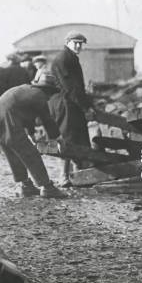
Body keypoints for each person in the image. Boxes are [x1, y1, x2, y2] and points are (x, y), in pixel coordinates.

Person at [0, 72, 67, 198]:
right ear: (48, 90)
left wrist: (31, 135)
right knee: (31, 153)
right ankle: (47, 187)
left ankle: (25, 185)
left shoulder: (28, 90)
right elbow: (47, 120)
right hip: (7, 120)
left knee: (13, 153)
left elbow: (27, 115)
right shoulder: (40, 96)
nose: (49, 98)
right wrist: (59, 140)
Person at [48, 31, 95, 187]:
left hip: (72, 103)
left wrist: (86, 103)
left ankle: (78, 173)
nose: (78, 46)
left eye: (80, 43)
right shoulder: (63, 59)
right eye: (75, 42)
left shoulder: (72, 58)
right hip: (65, 103)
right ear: (67, 42)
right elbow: (70, 88)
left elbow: (76, 87)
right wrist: (86, 106)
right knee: (67, 138)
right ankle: (64, 176)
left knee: (78, 137)